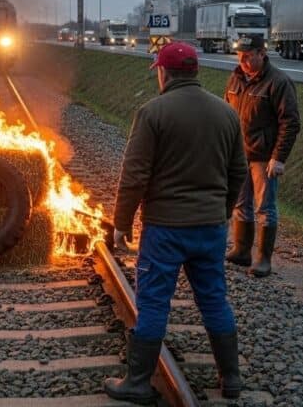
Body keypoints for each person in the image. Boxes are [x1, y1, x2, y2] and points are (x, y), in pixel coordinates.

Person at [104, 41, 247, 403]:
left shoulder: (153, 113)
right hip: (210, 228)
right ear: (195, 72)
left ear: (164, 73)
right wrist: (223, 210)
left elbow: (135, 174)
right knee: (214, 300)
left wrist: (122, 222)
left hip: (166, 229)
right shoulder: (227, 113)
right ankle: (231, 379)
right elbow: (238, 173)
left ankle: (137, 382)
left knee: (153, 303)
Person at [224, 35, 301, 277]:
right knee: (239, 204)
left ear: (261, 53)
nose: (243, 60)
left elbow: (290, 123)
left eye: (248, 56)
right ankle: (241, 250)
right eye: (240, 55)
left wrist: (278, 157)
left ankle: (263, 259)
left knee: (264, 207)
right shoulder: (236, 79)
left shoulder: (278, 82)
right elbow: (226, 112)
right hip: (238, 155)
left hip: (264, 157)